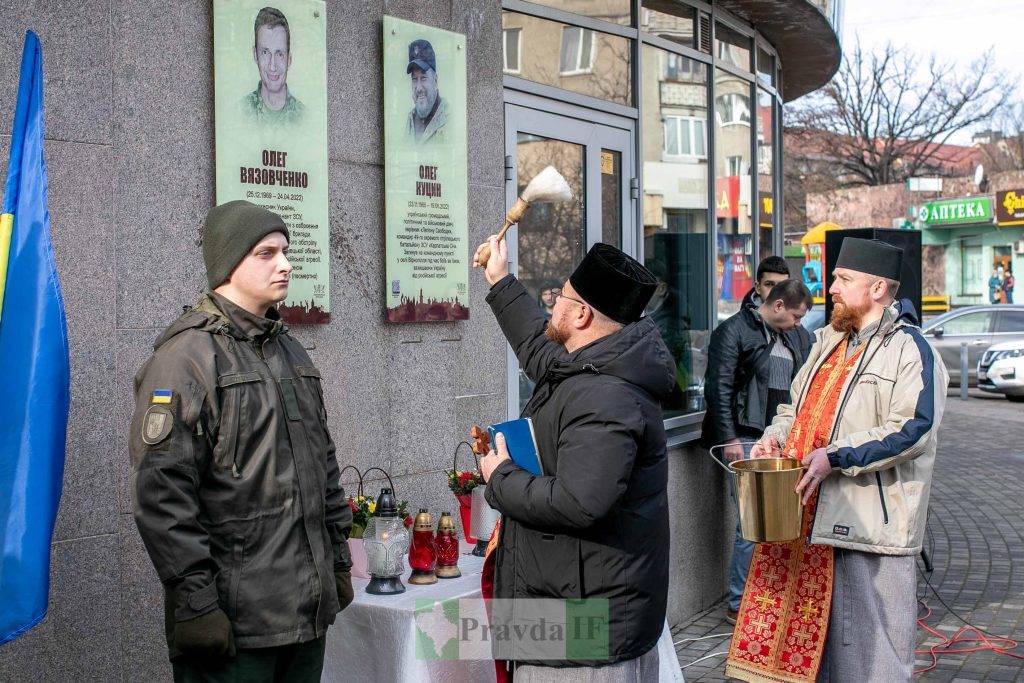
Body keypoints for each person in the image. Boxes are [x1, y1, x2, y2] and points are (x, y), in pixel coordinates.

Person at [130, 201, 353, 682]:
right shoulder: (187, 358)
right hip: (234, 626)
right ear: (230, 263)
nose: (286, 263)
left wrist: (337, 560)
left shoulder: (288, 349)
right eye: (266, 253)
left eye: (286, 251)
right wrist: (196, 602)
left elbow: (324, 465)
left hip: (306, 617)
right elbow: (162, 493)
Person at [726, 238, 948, 683]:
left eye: (845, 280)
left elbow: (914, 429)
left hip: (868, 529)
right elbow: (795, 409)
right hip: (809, 524)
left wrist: (835, 457)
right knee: (819, 658)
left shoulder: (910, 349)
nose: (831, 289)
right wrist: (773, 439)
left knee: (871, 660)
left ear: (879, 288)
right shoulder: (825, 342)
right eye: (834, 279)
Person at [474, 237, 675, 681]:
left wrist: (499, 476)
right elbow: (538, 349)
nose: (552, 307)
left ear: (582, 315)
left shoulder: (606, 395)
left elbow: (579, 501)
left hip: (585, 632)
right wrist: (500, 279)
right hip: (575, 605)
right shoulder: (593, 363)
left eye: (560, 298)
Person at [700, 277, 814, 623]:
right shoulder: (733, 330)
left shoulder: (797, 336)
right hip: (746, 436)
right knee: (751, 525)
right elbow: (717, 388)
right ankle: (739, 603)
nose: (799, 324)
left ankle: (767, 597)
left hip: (779, 437)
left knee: (779, 523)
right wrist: (730, 438)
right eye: (795, 316)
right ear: (777, 305)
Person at [243, 7, 305, 125]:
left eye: (279, 54)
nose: (272, 66)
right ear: (255, 55)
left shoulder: (304, 117)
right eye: (265, 52)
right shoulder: (240, 112)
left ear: (289, 59)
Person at [405, 39, 449, 144]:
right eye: (415, 79)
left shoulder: (449, 120)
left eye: (424, 78)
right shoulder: (410, 119)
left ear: (435, 81)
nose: (419, 88)